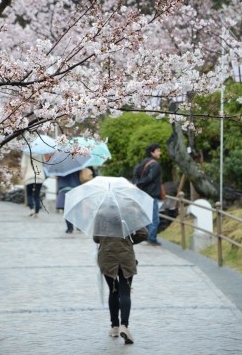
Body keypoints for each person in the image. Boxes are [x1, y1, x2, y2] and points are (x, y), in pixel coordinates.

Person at [93, 208, 148, 345]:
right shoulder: (129, 212)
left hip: (107, 256)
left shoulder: (100, 213)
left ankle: (114, 327)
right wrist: (129, 240)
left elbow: (96, 238)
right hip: (125, 256)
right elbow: (143, 233)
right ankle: (125, 325)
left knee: (113, 291)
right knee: (125, 292)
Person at [132, 143, 163, 246]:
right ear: (152, 152)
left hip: (143, 194)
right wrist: (140, 183)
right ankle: (152, 238)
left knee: (146, 217)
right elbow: (150, 178)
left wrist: (137, 184)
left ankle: (147, 236)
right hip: (152, 194)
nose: (160, 153)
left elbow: (135, 174)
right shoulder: (155, 164)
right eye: (158, 150)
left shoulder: (142, 163)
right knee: (154, 219)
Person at [21, 153, 46, 218]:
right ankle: (37, 213)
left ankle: (32, 209)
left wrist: (23, 176)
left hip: (29, 176)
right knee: (37, 195)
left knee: (29, 194)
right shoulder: (40, 152)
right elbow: (44, 163)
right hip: (39, 176)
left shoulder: (26, 152)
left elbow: (23, 166)